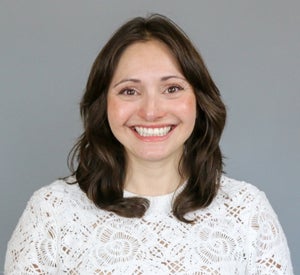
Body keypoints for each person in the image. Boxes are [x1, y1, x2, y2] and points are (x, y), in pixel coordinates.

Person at [5, 14, 293, 274]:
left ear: (200, 101)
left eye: (172, 89)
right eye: (129, 91)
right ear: (103, 104)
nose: (151, 111)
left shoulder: (247, 212)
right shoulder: (51, 213)